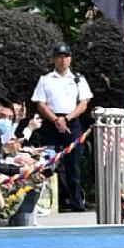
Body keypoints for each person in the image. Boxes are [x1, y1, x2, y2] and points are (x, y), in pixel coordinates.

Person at [28, 44, 97, 212]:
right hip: (51, 123)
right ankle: (46, 203)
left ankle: (75, 201)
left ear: (70, 58)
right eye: (59, 56)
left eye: (66, 56)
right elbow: (40, 103)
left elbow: (84, 103)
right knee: (48, 161)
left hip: (71, 122)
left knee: (73, 163)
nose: (62, 60)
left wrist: (66, 118)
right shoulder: (45, 79)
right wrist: (56, 120)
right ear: (53, 59)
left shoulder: (78, 79)